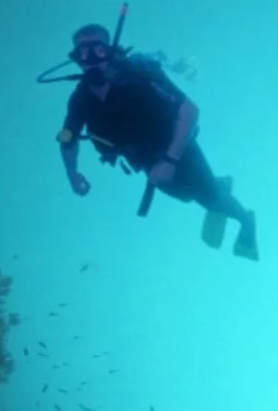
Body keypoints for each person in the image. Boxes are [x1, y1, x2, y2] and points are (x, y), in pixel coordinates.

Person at [57, 23, 258, 261]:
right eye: (83, 53)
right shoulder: (81, 100)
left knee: (209, 198)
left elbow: (189, 111)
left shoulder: (138, 75)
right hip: (147, 165)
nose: (91, 58)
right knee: (187, 196)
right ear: (76, 59)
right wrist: (72, 173)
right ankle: (218, 186)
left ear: (110, 51)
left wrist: (170, 160)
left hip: (178, 149)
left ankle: (246, 221)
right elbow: (67, 137)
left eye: (98, 50)